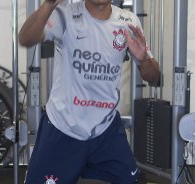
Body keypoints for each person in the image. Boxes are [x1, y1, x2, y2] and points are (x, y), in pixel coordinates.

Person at [19, 0, 159, 183]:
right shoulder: (65, 15)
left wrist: (144, 59)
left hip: (105, 129)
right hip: (63, 126)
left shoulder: (128, 21)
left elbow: (153, 77)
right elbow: (25, 39)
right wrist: (48, 5)